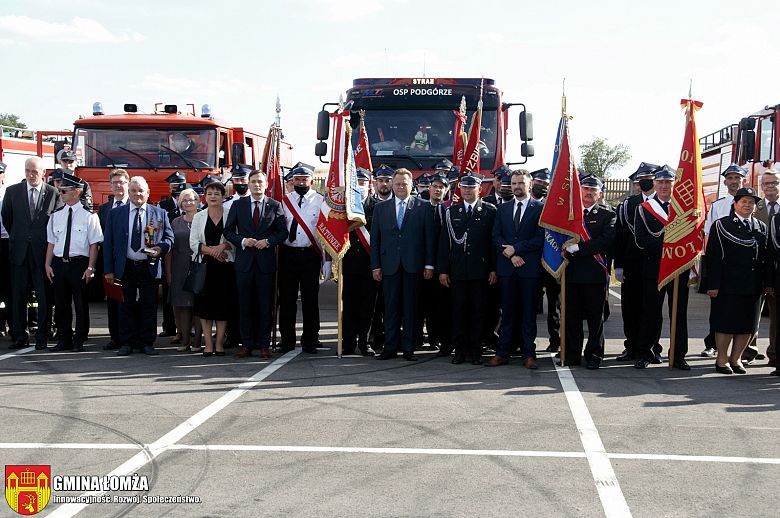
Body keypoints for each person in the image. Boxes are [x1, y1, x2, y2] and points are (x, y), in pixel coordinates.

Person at [103, 176, 173, 356]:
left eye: (141, 191)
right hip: (125, 266)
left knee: (148, 305)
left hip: (148, 265)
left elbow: (169, 239)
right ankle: (127, 342)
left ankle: (147, 342)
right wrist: (109, 270)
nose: (137, 194)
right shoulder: (115, 214)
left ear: (148, 193)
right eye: (133, 191)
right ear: (129, 192)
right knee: (125, 305)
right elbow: (108, 243)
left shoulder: (159, 213)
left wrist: (160, 248)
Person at [371, 168, 436, 361]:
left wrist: (429, 265)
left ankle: (408, 347)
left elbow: (429, 239)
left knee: (411, 309)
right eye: (397, 183)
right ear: (392, 184)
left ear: (411, 185)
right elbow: (376, 240)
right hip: (389, 265)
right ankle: (390, 347)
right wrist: (376, 266)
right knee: (390, 309)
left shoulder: (423, 207)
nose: (400, 187)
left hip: (413, 266)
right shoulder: (380, 208)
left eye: (404, 184)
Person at [223, 170, 288, 359]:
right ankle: (246, 344)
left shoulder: (275, 205)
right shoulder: (238, 205)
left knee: (264, 305)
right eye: (253, 182)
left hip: (265, 264)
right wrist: (243, 241)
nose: (256, 185)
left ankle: (264, 344)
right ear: (248, 184)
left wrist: (268, 242)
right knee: (245, 305)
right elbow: (228, 231)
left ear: (266, 184)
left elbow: (282, 233)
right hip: (244, 264)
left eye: (260, 181)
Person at [1, 157, 62, 350]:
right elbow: (7, 218)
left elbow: (56, 222)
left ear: (43, 172)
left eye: (34, 171)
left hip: (42, 254)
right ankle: (19, 335)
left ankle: (42, 336)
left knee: (44, 297)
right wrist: (20, 238)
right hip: (19, 253)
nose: (30, 175)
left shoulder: (53, 193)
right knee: (18, 296)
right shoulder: (13, 192)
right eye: (27, 171)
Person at [633, 167, 691, 370]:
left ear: (674, 185)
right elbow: (641, 238)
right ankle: (646, 353)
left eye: (669, 182)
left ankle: (678, 355)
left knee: (679, 313)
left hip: (678, 267)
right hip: (654, 267)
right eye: (661, 183)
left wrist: (675, 249)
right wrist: (668, 246)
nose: (665, 186)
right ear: (655, 185)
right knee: (650, 311)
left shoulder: (684, 208)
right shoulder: (644, 208)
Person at [707, 187, 768, 374]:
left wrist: (766, 283)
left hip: (753, 285)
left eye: (751, 202)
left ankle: (736, 359)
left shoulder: (760, 227)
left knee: (747, 324)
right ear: (735, 204)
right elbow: (713, 257)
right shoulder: (722, 225)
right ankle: (722, 359)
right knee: (726, 322)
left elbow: (765, 258)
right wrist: (712, 284)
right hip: (728, 284)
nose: (747, 205)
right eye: (744, 202)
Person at [437, 171, 497, 364]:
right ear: (459, 189)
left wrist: (493, 269)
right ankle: (460, 350)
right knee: (458, 311)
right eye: (464, 187)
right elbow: (444, 243)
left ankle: (476, 350)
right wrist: (443, 270)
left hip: (480, 270)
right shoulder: (451, 212)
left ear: (480, 189)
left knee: (479, 312)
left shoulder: (489, 211)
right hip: (458, 271)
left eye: (472, 187)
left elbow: (492, 244)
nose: (468, 191)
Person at [486, 169, 544, 368]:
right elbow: (496, 236)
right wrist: (511, 255)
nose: (516, 186)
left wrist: (517, 249)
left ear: (530, 185)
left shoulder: (540, 208)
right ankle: (502, 352)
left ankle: (529, 354)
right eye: (513, 183)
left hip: (529, 270)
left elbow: (540, 238)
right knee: (508, 313)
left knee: (528, 314)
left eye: (520, 183)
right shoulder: (502, 209)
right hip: (507, 269)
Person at [560, 175, 615, 369]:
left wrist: (580, 249)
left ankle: (594, 354)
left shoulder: (608, 215)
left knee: (595, 318)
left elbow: (607, 240)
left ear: (600, 193)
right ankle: (572, 354)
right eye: (585, 188)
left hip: (594, 274)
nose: (589, 192)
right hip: (571, 273)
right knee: (572, 316)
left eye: (593, 189)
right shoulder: (570, 214)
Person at [44, 173, 103, 352]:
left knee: (80, 304)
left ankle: (79, 339)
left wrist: (91, 267)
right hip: (59, 264)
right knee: (61, 304)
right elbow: (51, 242)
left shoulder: (89, 216)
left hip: (80, 264)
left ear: (76, 192)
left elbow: (94, 244)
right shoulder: (56, 215)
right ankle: (64, 338)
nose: (60, 193)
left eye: (64, 191)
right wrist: (47, 264)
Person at [278, 165, 329, 354]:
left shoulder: (321, 201)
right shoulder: (284, 202)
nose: (300, 183)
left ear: (311, 181)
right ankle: (287, 340)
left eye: (304, 179)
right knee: (287, 299)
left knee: (310, 300)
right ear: (292, 181)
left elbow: (325, 231)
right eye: (297, 180)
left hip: (310, 255)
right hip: (288, 254)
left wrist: (327, 260)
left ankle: (310, 339)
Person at [613, 162, 659, 362]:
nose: (645, 183)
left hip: (656, 264)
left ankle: (652, 348)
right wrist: (619, 265)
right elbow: (620, 236)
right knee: (630, 307)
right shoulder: (628, 205)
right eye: (642, 180)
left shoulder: (664, 203)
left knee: (653, 308)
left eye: (649, 179)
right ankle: (631, 346)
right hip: (632, 263)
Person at [701, 163, 747, 357]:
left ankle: (743, 350)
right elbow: (709, 236)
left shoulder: (749, 204)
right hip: (722, 265)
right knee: (718, 308)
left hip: (743, 267)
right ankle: (712, 344)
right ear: (725, 181)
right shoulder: (718, 206)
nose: (734, 182)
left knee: (743, 310)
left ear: (743, 180)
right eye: (730, 178)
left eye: (737, 178)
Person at [191, 180, 234, 356]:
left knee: (223, 307)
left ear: (223, 197)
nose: (213, 197)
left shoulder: (231, 214)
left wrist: (223, 247)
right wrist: (213, 251)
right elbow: (193, 243)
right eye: (209, 194)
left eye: (217, 193)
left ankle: (219, 343)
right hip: (205, 267)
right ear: (205, 197)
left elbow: (235, 239)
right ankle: (208, 343)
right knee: (205, 308)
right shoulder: (198, 216)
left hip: (225, 267)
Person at [341, 168, 378, 356]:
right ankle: (347, 343)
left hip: (370, 265)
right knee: (348, 306)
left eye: (363, 183)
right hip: (348, 264)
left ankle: (364, 342)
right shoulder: (343, 206)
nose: (360, 187)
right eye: (357, 183)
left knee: (367, 307)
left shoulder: (377, 206)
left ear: (369, 184)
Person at [744, 171, 778, 366]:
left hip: (776, 269)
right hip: (757, 267)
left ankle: (774, 353)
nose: (770, 186)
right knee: (754, 313)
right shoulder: (754, 207)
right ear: (761, 186)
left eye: (774, 182)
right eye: (766, 183)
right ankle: (748, 351)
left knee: (776, 316)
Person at [164, 187, 202, 353]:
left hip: (199, 266)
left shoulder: (204, 218)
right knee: (184, 305)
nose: (188, 203)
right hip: (179, 266)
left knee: (199, 305)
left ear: (197, 202)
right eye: (184, 200)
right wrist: (169, 273)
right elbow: (170, 249)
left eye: (191, 199)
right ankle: (185, 340)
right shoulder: (175, 222)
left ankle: (198, 341)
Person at [419, 172, 452, 355]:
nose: (438, 189)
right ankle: (431, 339)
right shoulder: (420, 208)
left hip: (444, 267)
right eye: (435, 186)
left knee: (443, 305)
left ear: (446, 191)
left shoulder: (449, 210)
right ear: (429, 189)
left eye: (441, 187)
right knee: (426, 304)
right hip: (423, 265)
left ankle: (443, 339)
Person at [97, 168, 130, 350]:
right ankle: (115, 338)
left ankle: (129, 337)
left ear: (128, 184)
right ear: (110, 186)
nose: (118, 186)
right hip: (110, 263)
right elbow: (103, 239)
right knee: (112, 301)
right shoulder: (104, 209)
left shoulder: (135, 205)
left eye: (122, 182)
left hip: (130, 263)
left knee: (129, 301)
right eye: (115, 182)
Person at [158, 172, 186, 342]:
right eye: (173, 185)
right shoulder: (163, 205)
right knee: (168, 293)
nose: (176, 188)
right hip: (168, 254)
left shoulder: (191, 205)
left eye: (179, 184)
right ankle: (169, 327)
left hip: (184, 254)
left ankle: (185, 328)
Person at [0, 161, 10, 337]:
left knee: (8, 288)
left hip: (6, 243)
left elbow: (10, 220)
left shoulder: (8, 194)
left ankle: (7, 323)